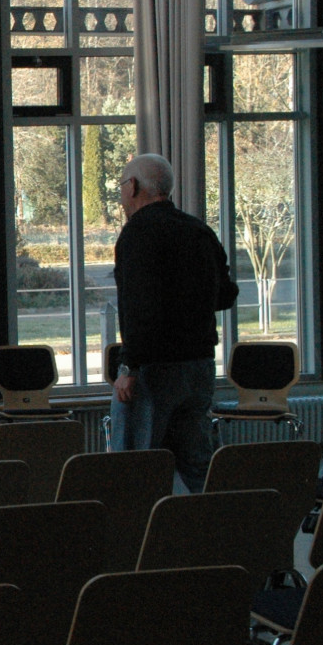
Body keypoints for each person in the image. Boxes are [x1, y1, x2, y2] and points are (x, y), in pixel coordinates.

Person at [109, 153, 238, 492]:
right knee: (198, 466)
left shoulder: (137, 234)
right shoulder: (199, 230)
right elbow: (226, 295)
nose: (122, 194)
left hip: (155, 369)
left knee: (137, 467)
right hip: (199, 366)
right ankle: (207, 523)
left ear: (133, 186)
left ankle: (141, 526)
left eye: (122, 186)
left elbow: (138, 307)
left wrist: (130, 368)